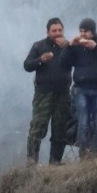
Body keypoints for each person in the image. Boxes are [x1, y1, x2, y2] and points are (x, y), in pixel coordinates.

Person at [60, 18, 97, 158]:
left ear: (93, 32)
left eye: (86, 31)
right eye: (81, 31)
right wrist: (70, 46)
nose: (83, 34)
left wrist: (95, 47)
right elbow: (63, 63)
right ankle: (84, 155)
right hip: (81, 89)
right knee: (83, 123)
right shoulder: (77, 46)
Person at [23, 18, 72, 164]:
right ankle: (32, 161)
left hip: (63, 94)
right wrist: (40, 60)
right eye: (54, 31)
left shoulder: (68, 47)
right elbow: (27, 65)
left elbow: (80, 60)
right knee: (37, 127)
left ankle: (55, 163)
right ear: (48, 32)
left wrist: (68, 46)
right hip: (43, 94)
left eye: (60, 30)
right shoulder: (39, 46)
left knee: (60, 129)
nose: (57, 33)